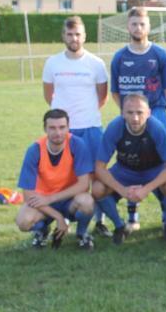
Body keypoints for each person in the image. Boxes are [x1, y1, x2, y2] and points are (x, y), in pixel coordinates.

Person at [41, 15, 110, 237]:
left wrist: (84, 114)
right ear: (63, 36)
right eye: (69, 34)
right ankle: (62, 216)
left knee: (97, 178)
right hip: (64, 131)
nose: (74, 38)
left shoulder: (96, 64)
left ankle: (100, 221)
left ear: (84, 36)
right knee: (65, 177)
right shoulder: (52, 63)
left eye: (78, 34)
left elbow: (102, 97)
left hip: (90, 127)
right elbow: (49, 95)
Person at [110, 7, 166, 230]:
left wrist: (152, 111)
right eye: (134, 24)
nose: (138, 28)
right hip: (128, 117)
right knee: (130, 160)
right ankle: (132, 215)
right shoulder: (120, 57)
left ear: (148, 27)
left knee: (158, 163)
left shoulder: (160, 54)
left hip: (156, 112)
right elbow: (115, 91)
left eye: (142, 24)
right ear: (127, 27)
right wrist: (127, 112)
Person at [92, 94, 166, 244]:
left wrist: (146, 189)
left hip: (153, 170)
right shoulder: (115, 127)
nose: (135, 118)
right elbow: (99, 168)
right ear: (122, 113)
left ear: (148, 113)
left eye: (139, 112)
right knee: (97, 189)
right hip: (125, 171)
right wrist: (122, 190)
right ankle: (120, 226)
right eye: (130, 112)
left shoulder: (157, 128)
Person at [15, 109, 95, 250]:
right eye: (52, 128)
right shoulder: (34, 150)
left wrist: (51, 198)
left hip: (69, 199)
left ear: (68, 127)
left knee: (87, 202)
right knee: (23, 221)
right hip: (43, 201)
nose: (58, 133)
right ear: (45, 128)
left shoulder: (77, 145)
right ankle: (42, 232)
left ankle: (82, 235)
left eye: (62, 127)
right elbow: (28, 195)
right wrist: (58, 217)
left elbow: (84, 185)